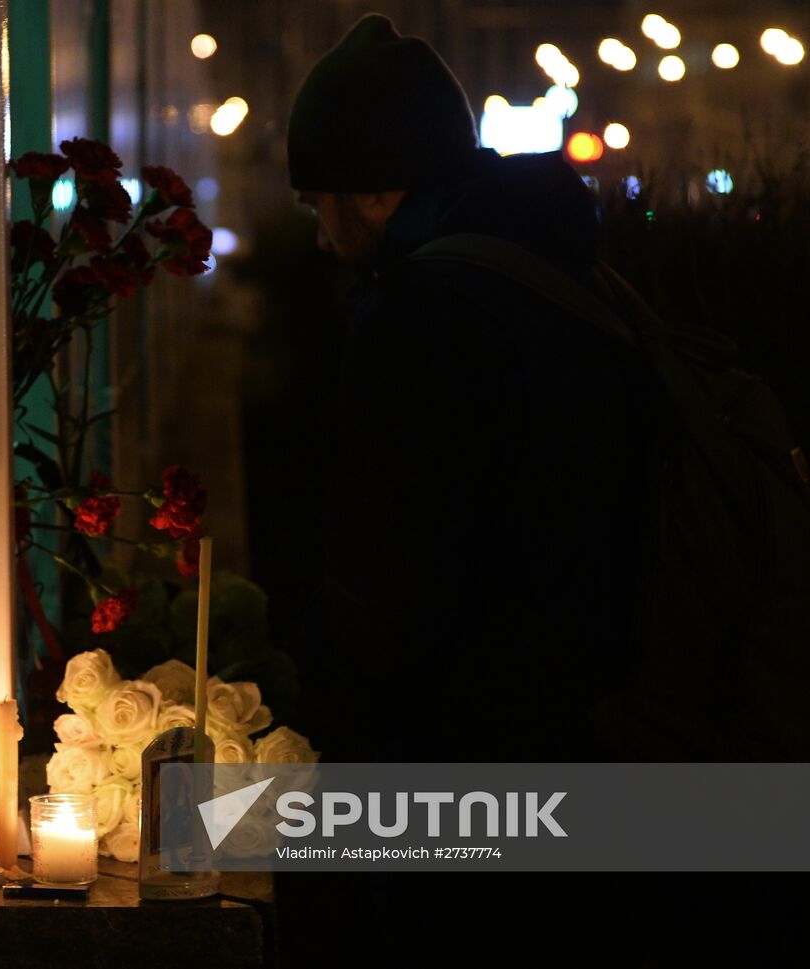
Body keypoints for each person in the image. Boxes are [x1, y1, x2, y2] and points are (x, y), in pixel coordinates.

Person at [272, 14, 806, 957]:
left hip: (489, 783)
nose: (319, 234)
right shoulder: (567, 273)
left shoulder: (418, 316)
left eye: (318, 201)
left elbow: (386, 604)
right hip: (624, 752)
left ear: (365, 193)